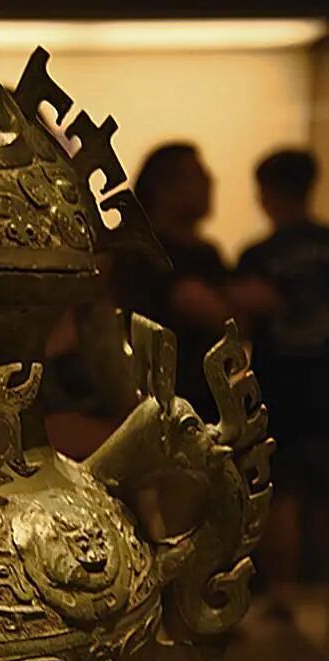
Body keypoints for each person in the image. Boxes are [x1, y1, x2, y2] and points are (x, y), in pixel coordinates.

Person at [233, 149, 329, 615]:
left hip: (280, 386)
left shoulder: (259, 256)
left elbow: (240, 320)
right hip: (323, 379)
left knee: (282, 488)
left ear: (267, 193)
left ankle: (285, 591)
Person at [114, 143, 230, 419]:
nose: (209, 182)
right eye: (195, 175)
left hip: (209, 405)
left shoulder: (206, 254)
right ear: (162, 188)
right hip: (154, 407)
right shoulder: (135, 253)